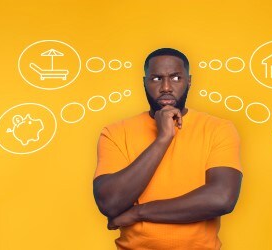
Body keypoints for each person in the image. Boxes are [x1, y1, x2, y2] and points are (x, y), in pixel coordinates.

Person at [93, 48, 243, 250]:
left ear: (188, 81)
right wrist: (163, 139)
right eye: (156, 79)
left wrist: (139, 212)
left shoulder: (218, 129)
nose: (166, 87)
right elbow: (110, 203)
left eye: (175, 77)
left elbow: (222, 198)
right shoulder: (115, 132)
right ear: (144, 83)